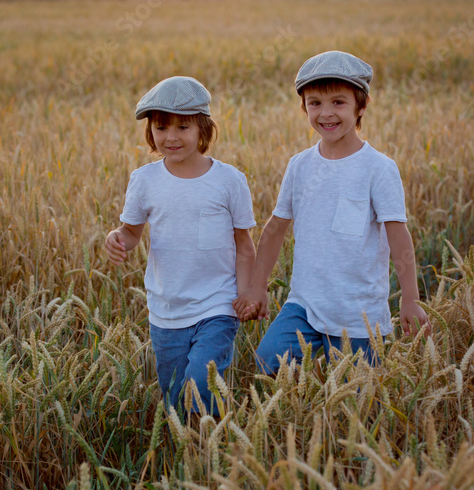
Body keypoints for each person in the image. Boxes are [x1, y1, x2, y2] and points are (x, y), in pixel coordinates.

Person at [237, 51, 429, 375]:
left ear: (361, 106)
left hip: (358, 314)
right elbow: (274, 229)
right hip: (305, 304)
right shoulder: (300, 165)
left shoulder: (378, 169)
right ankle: (303, 420)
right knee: (269, 362)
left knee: (358, 403)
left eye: (338, 102)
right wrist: (257, 286)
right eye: (315, 103)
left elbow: (398, 236)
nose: (326, 113)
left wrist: (410, 298)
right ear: (304, 108)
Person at [105, 76, 257, 418]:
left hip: (217, 305)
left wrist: (246, 292)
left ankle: (213, 450)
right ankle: (191, 458)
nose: (171, 137)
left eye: (183, 127)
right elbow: (131, 232)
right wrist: (117, 239)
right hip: (166, 308)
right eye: (161, 127)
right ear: (150, 132)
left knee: (201, 385)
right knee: (174, 400)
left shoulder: (229, 180)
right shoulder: (144, 180)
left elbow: (244, 246)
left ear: (203, 129)